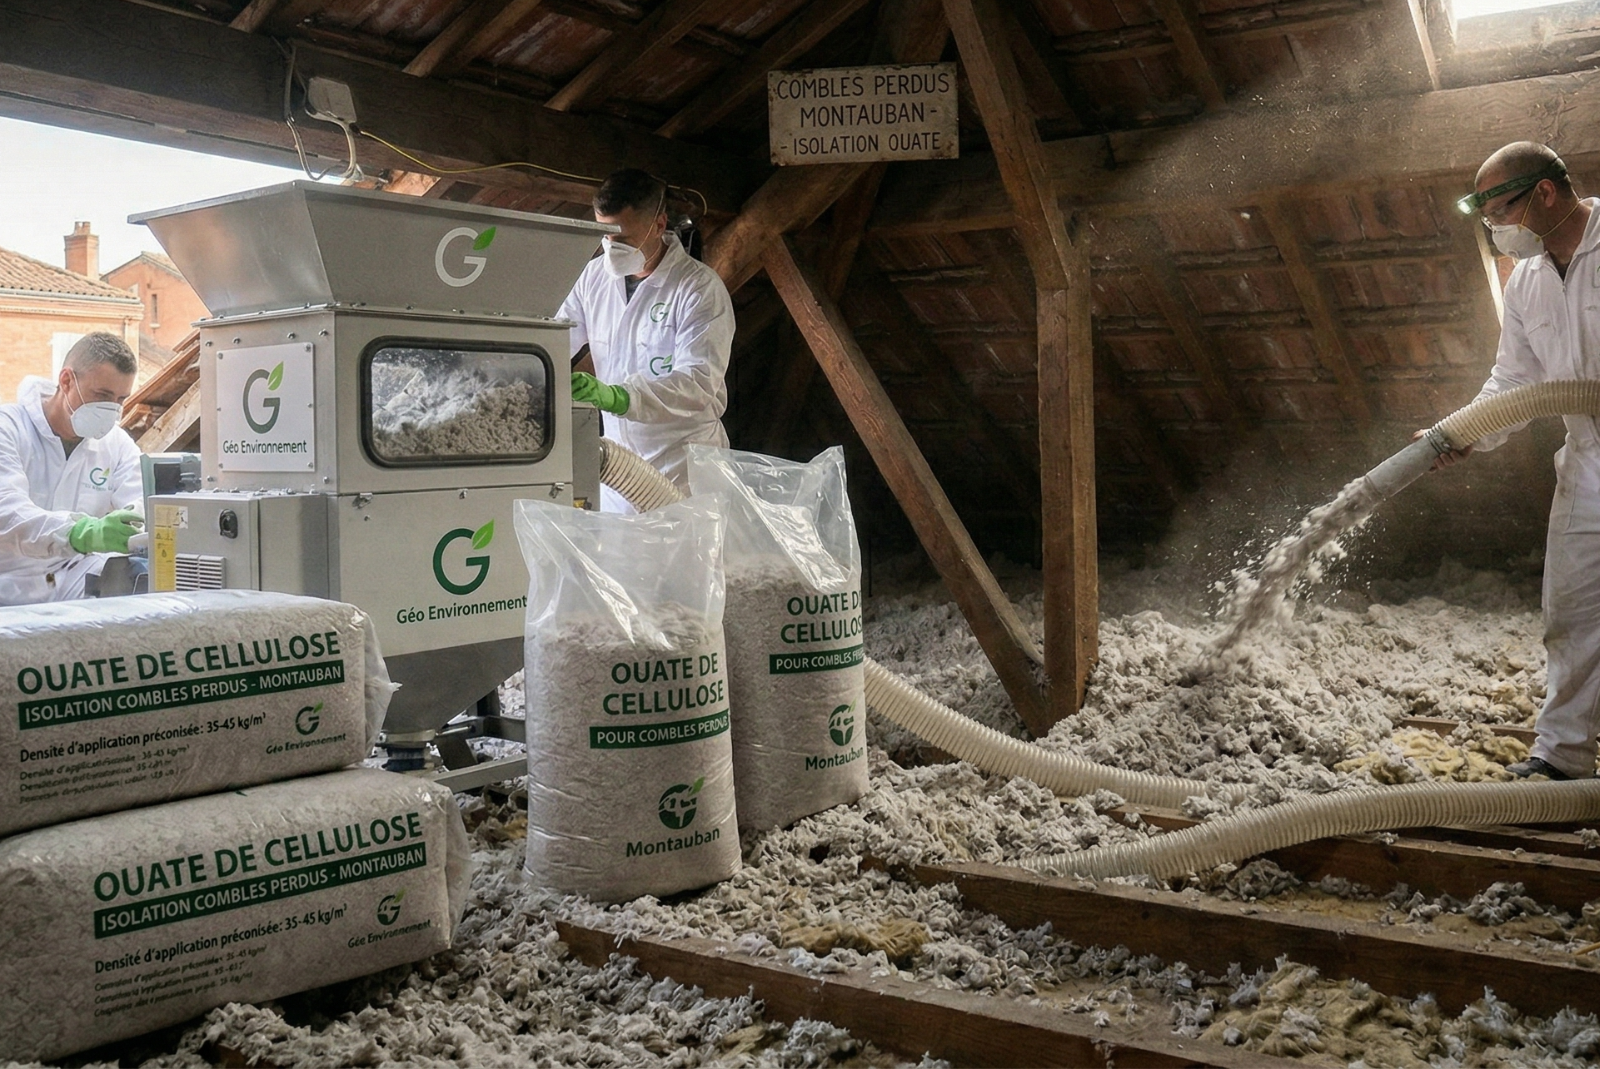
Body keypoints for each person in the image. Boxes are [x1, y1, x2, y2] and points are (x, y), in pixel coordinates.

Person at [1445, 141, 1599, 779]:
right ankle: (1562, 757)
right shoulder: (1528, 283)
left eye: (1503, 211)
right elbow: (1513, 382)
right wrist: (1461, 434)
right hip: (1588, 463)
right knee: (1571, 612)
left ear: (1545, 193)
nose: (1498, 231)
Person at [557, 168, 734, 512]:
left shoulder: (699, 289)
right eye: (605, 237)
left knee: (681, 562)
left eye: (622, 239)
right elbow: (557, 336)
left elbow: (699, 383)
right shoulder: (594, 278)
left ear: (658, 224)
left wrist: (620, 396)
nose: (612, 249)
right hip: (618, 471)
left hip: (682, 469)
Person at [0, 332, 145, 605]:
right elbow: (8, 513)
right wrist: (80, 532)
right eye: (102, 395)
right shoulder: (8, 429)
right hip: (8, 580)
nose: (111, 410)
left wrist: (141, 524)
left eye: (120, 400)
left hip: (72, 577)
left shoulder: (116, 444)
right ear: (66, 381)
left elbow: (143, 501)